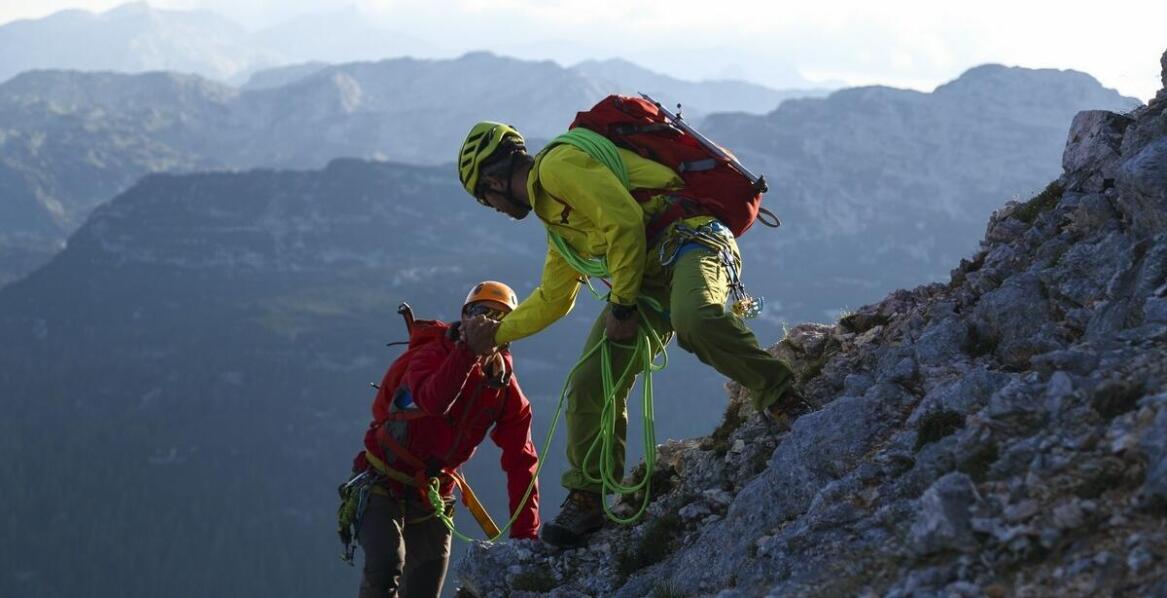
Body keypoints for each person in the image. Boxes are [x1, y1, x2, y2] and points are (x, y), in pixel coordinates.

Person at [454, 122, 801, 549]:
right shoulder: (557, 225)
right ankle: (590, 495)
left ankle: (783, 396)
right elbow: (553, 298)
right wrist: (496, 333)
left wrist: (621, 305)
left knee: (696, 319)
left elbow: (623, 222)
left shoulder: (559, 167)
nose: (493, 208)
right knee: (590, 382)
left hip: (693, 237)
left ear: (492, 182)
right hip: (646, 277)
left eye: (486, 199)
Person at [352, 281, 540, 597]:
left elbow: (521, 461)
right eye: (481, 313)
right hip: (382, 481)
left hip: (433, 493)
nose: (489, 323)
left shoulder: (504, 391)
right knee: (385, 566)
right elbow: (433, 401)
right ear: (465, 318)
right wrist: (467, 354)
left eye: (500, 318)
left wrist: (526, 539)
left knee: (424, 590)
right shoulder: (429, 355)